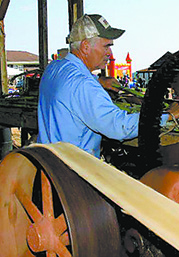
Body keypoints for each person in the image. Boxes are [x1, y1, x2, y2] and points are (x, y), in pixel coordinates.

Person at [37, 14, 170, 158]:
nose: (110, 53)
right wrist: (166, 116)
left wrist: (100, 81)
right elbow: (119, 127)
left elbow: (74, 84)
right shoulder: (83, 85)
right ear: (86, 47)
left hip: (47, 161)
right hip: (72, 170)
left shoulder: (54, 67)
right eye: (106, 46)